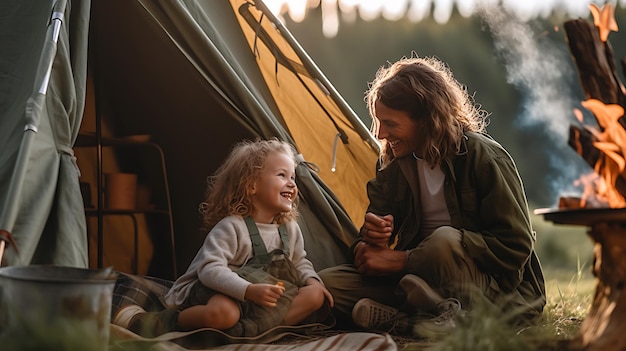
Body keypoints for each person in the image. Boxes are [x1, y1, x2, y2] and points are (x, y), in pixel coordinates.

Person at [318, 55, 546, 339]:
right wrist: (370, 242)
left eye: (389, 123)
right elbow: (375, 234)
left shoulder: (483, 157)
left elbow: (516, 246)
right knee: (327, 287)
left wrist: (404, 261)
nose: (380, 133)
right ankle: (420, 319)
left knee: (443, 241)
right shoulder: (394, 163)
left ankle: (420, 317)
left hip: (493, 287)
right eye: (378, 121)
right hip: (420, 281)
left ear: (426, 119)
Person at [114, 138, 333, 337]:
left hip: (258, 303)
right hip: (213, 291)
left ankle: (251, 331)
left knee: (315, 296)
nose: (292, 183)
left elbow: (299, 261)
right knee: (225, 313)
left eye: (293, 176)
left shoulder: (290, 229)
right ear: (252, 185)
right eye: (281, 175)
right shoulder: (233, 227)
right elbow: (209, 270)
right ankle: (155, 323)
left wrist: (313, 282)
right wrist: (248, 290)